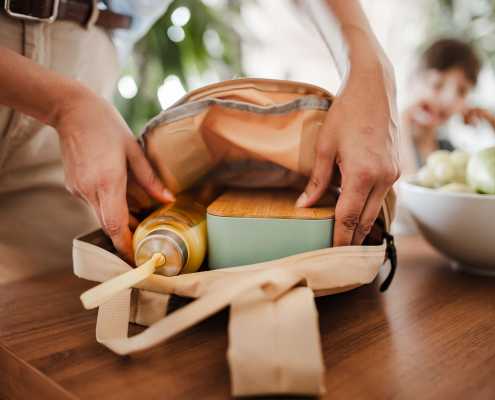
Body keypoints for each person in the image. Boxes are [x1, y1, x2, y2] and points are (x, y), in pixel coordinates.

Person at [0, 0, 399, 282]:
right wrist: (62, 106)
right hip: (62, 92)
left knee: (43, 328)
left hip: (83, 55)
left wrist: (369, 65)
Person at [399, 38, 495, 175]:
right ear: (412, 82)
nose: (449, 99)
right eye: (437, 84)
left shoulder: (449, 153)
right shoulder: (386, 144)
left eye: (462, 91)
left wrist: (493, 123)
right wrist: (404, 120)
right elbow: (405, 188)